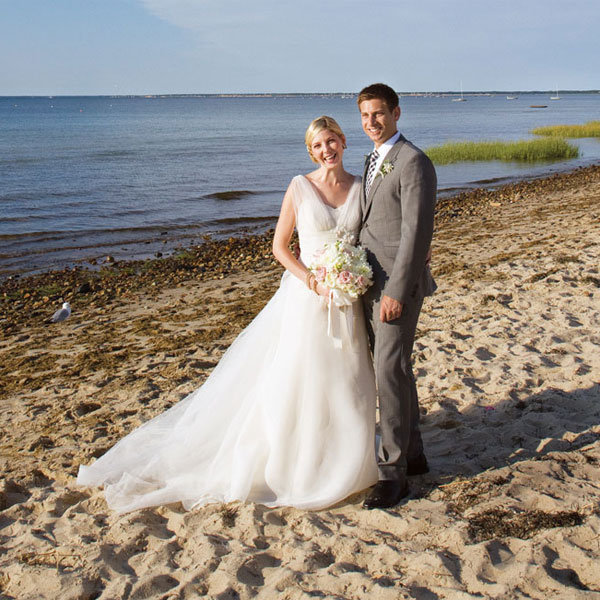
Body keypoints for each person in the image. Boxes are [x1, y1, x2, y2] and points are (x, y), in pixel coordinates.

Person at [77, 116, 378, 513]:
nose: (327, 150)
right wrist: (313, 281)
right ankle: (298, 462)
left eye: (332, 141)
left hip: (346, 299)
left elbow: (370, 238)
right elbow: (280, 248)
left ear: (343, 141)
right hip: (308, 299)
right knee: (299, 378)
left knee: (347, 378)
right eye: (319, 145)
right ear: (311, 151)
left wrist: (352, 275)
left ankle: (345, 458)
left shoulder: (361, 187)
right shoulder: (299, 187)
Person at [357, 83, 437, 510]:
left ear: (397, 113)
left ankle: (393, 475)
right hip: (368, 283)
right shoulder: (372, 159)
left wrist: (396, 291)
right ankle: (416, 455)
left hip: (395, 288)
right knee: (397, 370)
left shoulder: (413, 161)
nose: (372, 122)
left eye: (379, 114)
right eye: (366, 115)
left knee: (388, 372)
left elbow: (415, 233)